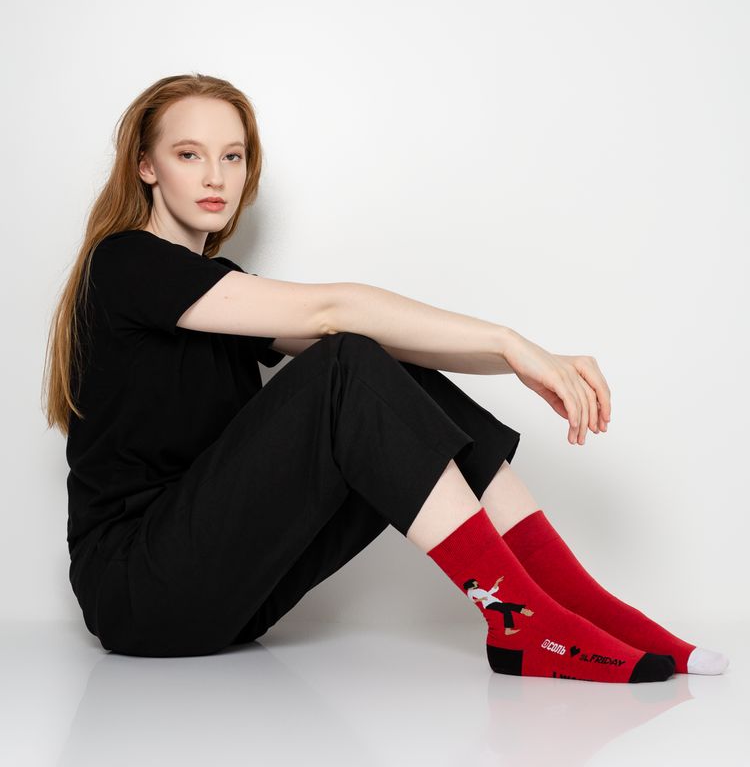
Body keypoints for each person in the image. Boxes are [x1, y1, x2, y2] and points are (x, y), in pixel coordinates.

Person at [42, 73, 728, 681]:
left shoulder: (217, 290)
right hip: (137, 593)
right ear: (147, 166)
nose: (216, 177)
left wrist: (526, 362)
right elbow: (333, 314)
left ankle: (573, 602)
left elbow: (380, 344)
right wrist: (510, 343)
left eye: (233, 156)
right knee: (348, 362)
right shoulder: (125, 264)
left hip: (230, 597)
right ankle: (522, 622)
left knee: (390, 371)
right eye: (189, 155)